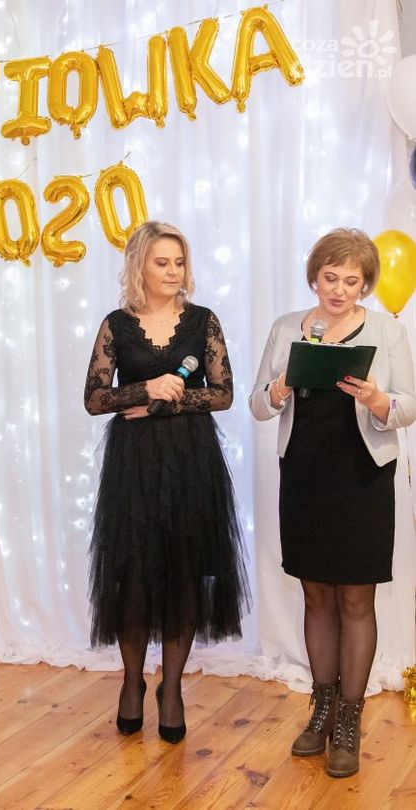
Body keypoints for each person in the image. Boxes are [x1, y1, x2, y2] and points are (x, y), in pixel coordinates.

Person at [249, 227, 416, 778]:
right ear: (314, 277)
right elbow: (256, 404)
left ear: (365, 284)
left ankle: (348, 721)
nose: (339, 289)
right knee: (315, 594)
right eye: (330, 277)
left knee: (356, 600)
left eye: (351, 280)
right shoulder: (285, 327)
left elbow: (410, 404)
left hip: (362, 476)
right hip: (305, 474)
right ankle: (320, 713)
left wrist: (379, 400)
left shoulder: (388, 330)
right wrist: (277, 391)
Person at [84, 220, 250, 744]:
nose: (174, 271)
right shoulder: (116, 325)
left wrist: (160, 403)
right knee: (133, 574)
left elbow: (223, 394)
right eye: (162, 262)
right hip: (132, 466)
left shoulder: (203, 321)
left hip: (191, 460)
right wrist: (143, 388)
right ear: (139, 265)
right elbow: (94, 398)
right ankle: (132, 681)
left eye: (179, 262)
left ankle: (171, 687)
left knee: (184, 572)